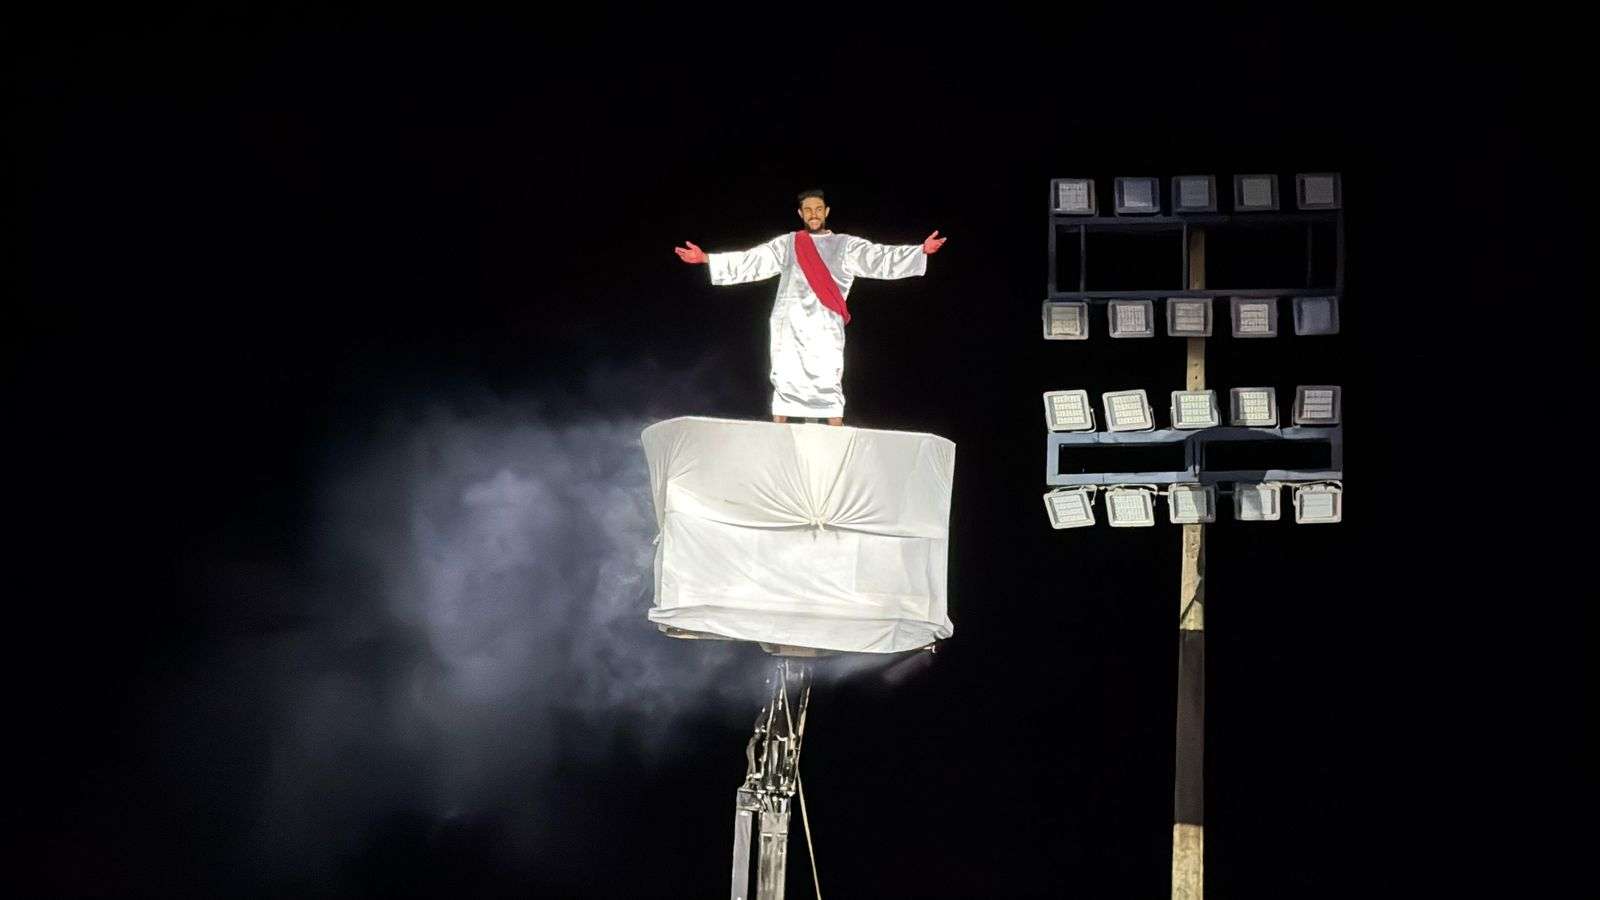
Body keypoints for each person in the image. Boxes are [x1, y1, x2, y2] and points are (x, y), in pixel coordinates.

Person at [675, 189, 946, 425]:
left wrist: (919, 251)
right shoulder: (789, 243)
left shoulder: (844, 245)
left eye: (818, 209)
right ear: (800, 213)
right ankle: (778, 443)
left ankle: (835, 445)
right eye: (808, 210)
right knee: (785, 383)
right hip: (789, 326)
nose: (813, 214)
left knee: (828, 384)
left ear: (826, 211)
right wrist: (707, 259)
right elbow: (752, 261)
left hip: (825, 328)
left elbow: (880, 257)